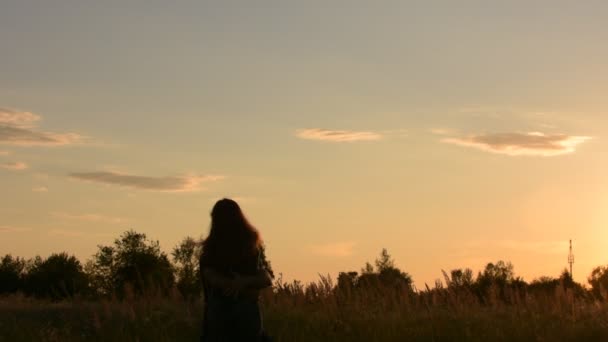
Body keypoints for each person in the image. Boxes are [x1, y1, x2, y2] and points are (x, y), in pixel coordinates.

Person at [199, 198, 274, 342]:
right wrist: (242, 283)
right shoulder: (249, 246)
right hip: (243, 311)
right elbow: (265, 277)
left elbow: (210, 277)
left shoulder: (210, 250)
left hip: (220, 312)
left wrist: (234, 284)